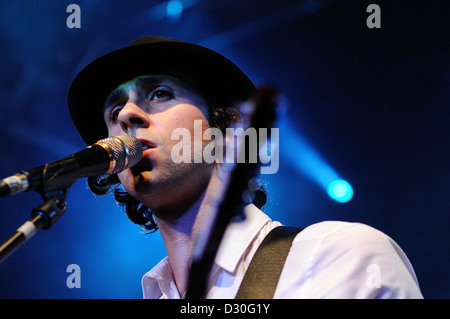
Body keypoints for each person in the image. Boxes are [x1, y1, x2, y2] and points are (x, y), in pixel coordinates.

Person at [67, 36, 423, 299]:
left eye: (160, 93)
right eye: (114, 113)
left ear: (225, 128)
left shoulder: (338, 257)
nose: (128, 115)